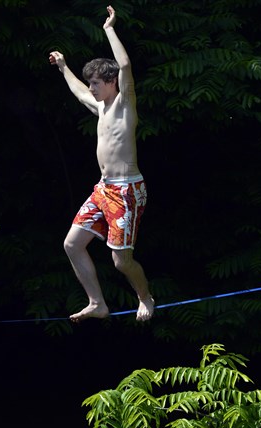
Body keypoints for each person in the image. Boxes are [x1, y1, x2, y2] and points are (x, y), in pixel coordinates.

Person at [49, 5, 154, 323]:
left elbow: (124, 64)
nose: (91, 87)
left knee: (121, 262)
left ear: (111, 83)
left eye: (96, 83)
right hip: (103, 189)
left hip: (126, 191)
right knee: (72, 243)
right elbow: (79, 92)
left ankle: (145, 297)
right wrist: (64, 67)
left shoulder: (125, 106)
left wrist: (109, 28)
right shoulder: (102, 109)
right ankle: (97, 303)